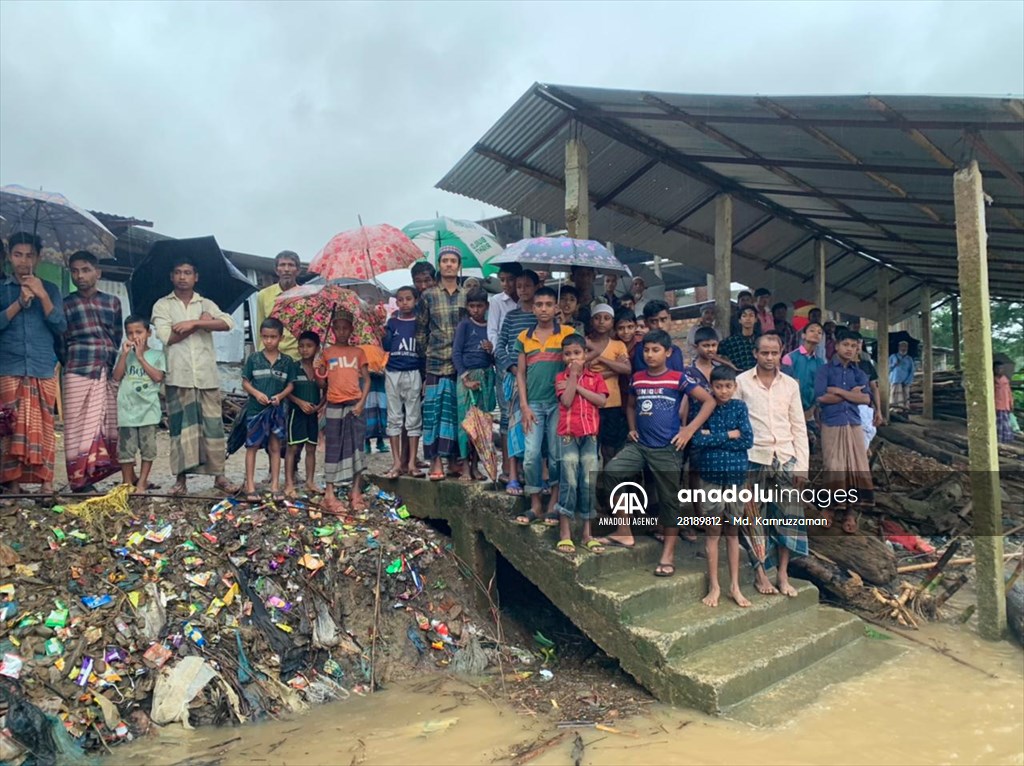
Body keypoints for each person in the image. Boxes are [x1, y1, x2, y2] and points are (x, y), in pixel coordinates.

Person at [599, 329, 715, 575]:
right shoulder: (638, 377)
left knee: (669, 502)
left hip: (668, 449)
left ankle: (668, 555)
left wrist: (688, 430)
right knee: (612, 472)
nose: (650, 354)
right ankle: (623, 531)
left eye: (656, 350)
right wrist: (631, 428)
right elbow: (631, 405)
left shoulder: (678, 378)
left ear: (668, 352)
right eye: (646, 350)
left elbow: (709, 401)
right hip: (640, 445)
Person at [152, 256, 239, 496]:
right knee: (181, 430)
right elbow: (167, 336)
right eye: (178, 272)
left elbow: (228, 322)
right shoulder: (162, 305)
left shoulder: (206, 303)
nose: (182, 277)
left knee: (213, 428)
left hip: (206, 375)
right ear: (172, 276)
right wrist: (200, 325)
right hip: (178, 375)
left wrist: (194, 322)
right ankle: (181, 480)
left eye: (187, 272)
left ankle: (219, 477)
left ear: (195, 276)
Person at [735, 332, 809, 597]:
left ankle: (783, 573)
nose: (769, 358)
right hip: (753, 456)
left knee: (788, 517)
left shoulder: (790, 385)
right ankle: (760, 574)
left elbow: (799, 426)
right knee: (754, 517)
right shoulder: (741, 382)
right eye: (764, 353)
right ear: (755, 354)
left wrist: (802, 465)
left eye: (774, 353)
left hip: (785, 457)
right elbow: (735, 421)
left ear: (781, 353)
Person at [0, 233, 66, 495]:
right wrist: (20, 302)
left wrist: (41, 296)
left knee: (45, 426)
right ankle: (13, 485)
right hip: (9, 365)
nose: (23, 261)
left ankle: (46, 484)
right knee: (10, 427)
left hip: (41, 366)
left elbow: (60, 325)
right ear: (9, 256)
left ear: (38, 258)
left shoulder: (50, 289)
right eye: (18, 255)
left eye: (29, 255)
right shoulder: (3, 289)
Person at [691, 366, 754, 608]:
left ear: (734, 387)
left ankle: (735, 586)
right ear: (711, 386)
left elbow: (748, 439)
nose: (724, 391)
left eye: (728, 386)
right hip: (711, 477)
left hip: (736, 477)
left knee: (732, 532)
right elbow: (697, 439)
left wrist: (714, 437)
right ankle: (714, 585)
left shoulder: (740, 407)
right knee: (713, 531)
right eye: (719, 386)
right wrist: (730, 435)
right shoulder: (702, 406)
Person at [514, 287, 576, 524]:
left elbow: (582, 355)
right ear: (533, 307)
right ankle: (535, 504)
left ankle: (554, 503)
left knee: (556, 455)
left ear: (555, 307)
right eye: (539, 304)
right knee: (530, 456)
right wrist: (524, 405)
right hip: (533, 405)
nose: (543, 309)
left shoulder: (567, 333)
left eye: (548, 304)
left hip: (559, 405)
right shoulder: (524, 337)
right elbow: (520, 373)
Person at [62, 251, 123, 491]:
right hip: (77, 368)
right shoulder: (66, 303)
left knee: (102, 423)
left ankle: (94, 475)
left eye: (85, 270)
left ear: (97, 272)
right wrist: (73, 360)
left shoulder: (112, 302)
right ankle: (78, 480)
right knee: (76, 426)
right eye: (75, 271)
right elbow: (61, 340)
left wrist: (108, 359)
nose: (80, 276)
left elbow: (116, 337)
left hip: (104, 368)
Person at [815, 329, 874, 534]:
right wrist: (851, 395)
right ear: (837, 346)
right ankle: (829, 509)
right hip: (832, 422)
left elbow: (866, 399)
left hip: (854, 424)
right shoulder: (825, 370)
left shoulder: (859, 372)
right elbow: (821, 397)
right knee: (833, 465)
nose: (849, 349)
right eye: (845, 345)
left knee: (855, 468)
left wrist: (839, 391)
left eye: (853, 345)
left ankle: (850, 512)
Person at [553, 334, 609, 554]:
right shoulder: (561, 378)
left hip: (590, 437)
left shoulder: (596, 378)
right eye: (568, 354)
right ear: (562, 356)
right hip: (568, 435)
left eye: (577, 353)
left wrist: (577, 387)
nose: (572, 358)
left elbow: (601, 401)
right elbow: (566, 401)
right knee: (568, 480)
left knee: (587, 482)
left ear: (585, 355)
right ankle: (565, 534)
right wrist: (573, 379)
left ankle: (588, 534)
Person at [416, 246, 466, 481]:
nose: (448, 264)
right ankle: (435, 460)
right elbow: (421, 330)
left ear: (458, 265)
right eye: (444, 260)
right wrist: (426, 355)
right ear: (439, 264)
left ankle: (455, 459)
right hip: (435, 362)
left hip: (459, 364)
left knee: (457, 412)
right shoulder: (429, 295)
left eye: (452, 261)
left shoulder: (466, 294)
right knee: (434, 413)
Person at [316, 310, 370, 514]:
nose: (341, 332)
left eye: (345, 328)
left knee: (357, 447)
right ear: (333, 330)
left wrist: (362, 402)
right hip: (333, 405)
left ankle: (355, 491)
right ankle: (329, 494)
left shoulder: (358, 353)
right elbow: (322, 382)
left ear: (351, 330)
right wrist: (318, 371)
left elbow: (367, 380)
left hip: (354, 405)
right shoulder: (327, 353)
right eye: (337, 328)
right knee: (333, 448)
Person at [239, 318, 295, 502]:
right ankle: (250, 486)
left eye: (273, 337)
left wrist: (280, 396)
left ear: (281, 338)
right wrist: (256, 394)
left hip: (277, 410)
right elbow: (245, 382)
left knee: (275, 447)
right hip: (256, 410)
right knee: (252, 446)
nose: (269, 341)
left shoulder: (287, 362)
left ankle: (275, 486)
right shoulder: (254, 359)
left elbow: (290, 385)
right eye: (265, 337)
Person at [496, 269, 541, 496]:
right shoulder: (511, 316)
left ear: (536, 287)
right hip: (514, 378)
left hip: (537, 378)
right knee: (512, 425)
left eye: (527, 286)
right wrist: (512, 368)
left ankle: (532, 475)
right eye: (519, 285)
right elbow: (500, 346)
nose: (522, 290)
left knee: (534, 425)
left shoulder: (540, 316)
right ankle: (513, 475)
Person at [111, 315, 166, 493]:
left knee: (148, 449)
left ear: (148, 333)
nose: (135, 337)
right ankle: (127, 483)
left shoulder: (157, 355)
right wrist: (125, 355)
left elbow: (158, 377)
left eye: (139, 332)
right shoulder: (125, 355)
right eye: (130, 333)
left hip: (148, 410)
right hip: (127, 409)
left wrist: (141, 357)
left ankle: (142, 482)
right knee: (126, 450)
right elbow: (117, 376)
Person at [453, 288, 495, 481]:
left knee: (482, 425)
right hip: (467, 379)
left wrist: (491, 351)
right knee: (466, 424)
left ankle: (476, 466)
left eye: (479, 306)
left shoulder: (491, 326)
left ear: (486, 306)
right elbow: (456, 353)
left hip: (485, 379)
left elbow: (495, 359)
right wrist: (465, 378)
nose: (476, 310)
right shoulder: (464, 325)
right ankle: (465, 467)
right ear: (467, 307)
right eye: (472, 306)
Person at [383, 286, 423, 478]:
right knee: (394, 417)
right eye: (400, 299)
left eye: (408, 299)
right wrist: (384, 334)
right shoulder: (391, 322)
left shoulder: (420, 322)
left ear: (415, 300)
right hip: (393, 371)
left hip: (414, 371)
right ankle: (397, 462)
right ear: (396, 302)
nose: (404, 302)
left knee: (413, 418)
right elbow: (386, 346)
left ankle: (412, 462)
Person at [488, 262, 522, 483]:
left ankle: (524, 467)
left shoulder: (531, 301)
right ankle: (507, 467)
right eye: (503, 280)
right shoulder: (497, 301)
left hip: (527, 362)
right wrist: (503, 357)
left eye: (511, 280)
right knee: (506, 415)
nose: (507, 284)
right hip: (504, 362)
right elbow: (492, 331)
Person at [586, 304, 631, 464]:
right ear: (591, 321)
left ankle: (608, 485)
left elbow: (626, 368)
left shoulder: (618, 345)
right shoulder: (585, 343)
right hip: (590, 403)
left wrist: (599, 359)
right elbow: (585, 374)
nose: (601, 322)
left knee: (609, 449)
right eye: (597, 318)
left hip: (613, 402)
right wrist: (614, 369)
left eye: (606, 318)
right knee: (590, 449)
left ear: (612, 322)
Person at [285, 331, 325, 497]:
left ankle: (310, 481)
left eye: (309, 346)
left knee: (311, 448)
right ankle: (289, 483)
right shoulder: (293, 367)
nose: (304, 350)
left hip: (313, 414)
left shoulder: (321, 369)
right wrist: (300, 403)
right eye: (301, 346)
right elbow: (287, 391)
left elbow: (326, 391)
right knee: (292, 448)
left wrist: (319, 407)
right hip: (296, 412)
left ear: (317, 348)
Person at [781, 321, 825, 450]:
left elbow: (819, 388)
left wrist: (812, 409)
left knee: (808, 448)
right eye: (812, 330)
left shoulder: (820, 362)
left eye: (819, 332)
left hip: (809, 410)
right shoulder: (789, 358)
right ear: (803, 335)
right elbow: (785, 387)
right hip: (789, 410)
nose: (816, 334)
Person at [255, 250, 301, 360]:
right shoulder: (264, 295)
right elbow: (260, 327)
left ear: (298, 270)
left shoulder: (306, 296)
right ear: (276, 270)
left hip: (295, 357)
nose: (286, 269)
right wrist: (259, 356)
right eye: (282, 265)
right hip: (269, 356)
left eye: (291, 265)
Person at [631, 300, 684, 372]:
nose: (660, 326)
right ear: (646, 323)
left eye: (663, 320)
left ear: (669, 318)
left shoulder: (676, 350)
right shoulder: (642, 350)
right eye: (654, 321)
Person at [360, 341, 389, 455]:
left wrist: (380, 369)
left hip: (380, 382)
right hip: (365, 383)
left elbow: (386, 361)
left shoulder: (380, 348)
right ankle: (366, 442)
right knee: (367, 412)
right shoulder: (358, 349)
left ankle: (380, 441)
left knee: (381, 411)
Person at [857, 337, 883, 449]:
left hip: (866, 408)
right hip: (848, 409)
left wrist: (878, 410)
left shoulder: (866, 364)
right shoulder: (840, 366)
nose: (856, 346)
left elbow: (874, 388)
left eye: (859, 342)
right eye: (852, 344)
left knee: (866, 438)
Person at [718, 306, 758, 371]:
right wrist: (728, 364)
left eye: (751, 315)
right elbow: (712, 354)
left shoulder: (760, 340)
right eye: (744, 316)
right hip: (737, 376)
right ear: (740, 320)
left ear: (756, 319)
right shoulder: (731, 341)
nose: (748, 319)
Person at [888, 340, 915, 413]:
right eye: (902, 346)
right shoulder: (893, 357)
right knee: (894, 396)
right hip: (894, 380)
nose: (904, 348)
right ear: (899, 347)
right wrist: (894, 364)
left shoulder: (909, 359)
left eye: (905, 346)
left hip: (905, 382)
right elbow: (887, 369)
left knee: (905, 397)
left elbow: (912, 371)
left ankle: (904, 411)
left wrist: (907, 381)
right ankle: (893, 410)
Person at [569, 265, 596, 331]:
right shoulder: (566, 303)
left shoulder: (601, 302)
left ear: (594, 277)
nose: (585, 278)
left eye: (588, 274)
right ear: (572, 277)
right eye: (580, 274)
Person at [996, 360, 1015, 444]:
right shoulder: (993, 380)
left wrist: (1011, 402)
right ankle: (1000, 440)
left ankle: (1006, 439)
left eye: (1001, 369)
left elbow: (1009, 392)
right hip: (997, 404)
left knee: (1006, 422)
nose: (999, 370)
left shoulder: (1005, 379)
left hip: (1006, 404)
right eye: (997, 369)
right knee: (999, 423)